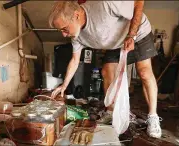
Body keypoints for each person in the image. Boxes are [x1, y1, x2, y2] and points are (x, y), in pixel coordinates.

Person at [49, 1, 162, 138]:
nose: (64, 35)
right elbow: (74, 60)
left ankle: (153, 117)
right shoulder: (77, 36)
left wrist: (131, 35)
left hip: (138, 33)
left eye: (65, 28)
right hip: (115, 42)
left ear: (76, 15)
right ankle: (111, 111)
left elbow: (138, 3)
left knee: (144, 71)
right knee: (106, 71)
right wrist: (64, 85)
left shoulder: (105, 4)